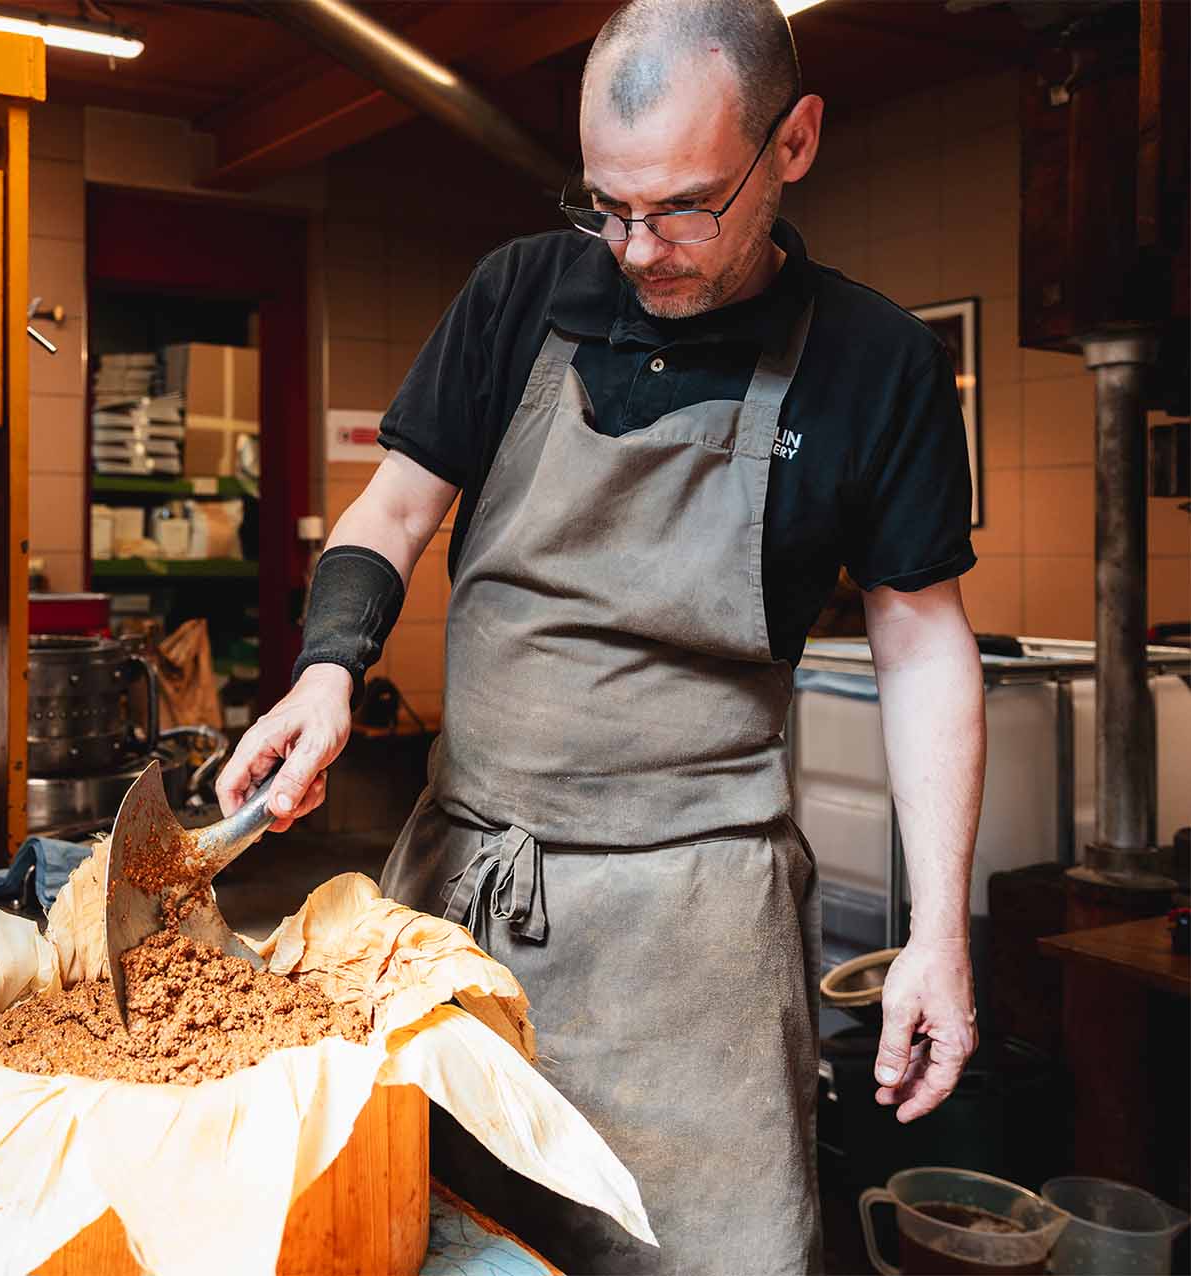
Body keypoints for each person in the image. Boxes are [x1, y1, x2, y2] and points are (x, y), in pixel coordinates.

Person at [218, 0, 984, 1269]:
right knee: (432, 1234)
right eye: (607, 206)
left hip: (696, 944)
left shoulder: (873, 363)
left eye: (684, 206)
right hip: (461, 909)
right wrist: (322, 672)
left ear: (792, 143)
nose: (640, 248)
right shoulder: (520, 292)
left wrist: (938, 938)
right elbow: (394, 507)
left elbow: (920, 649)